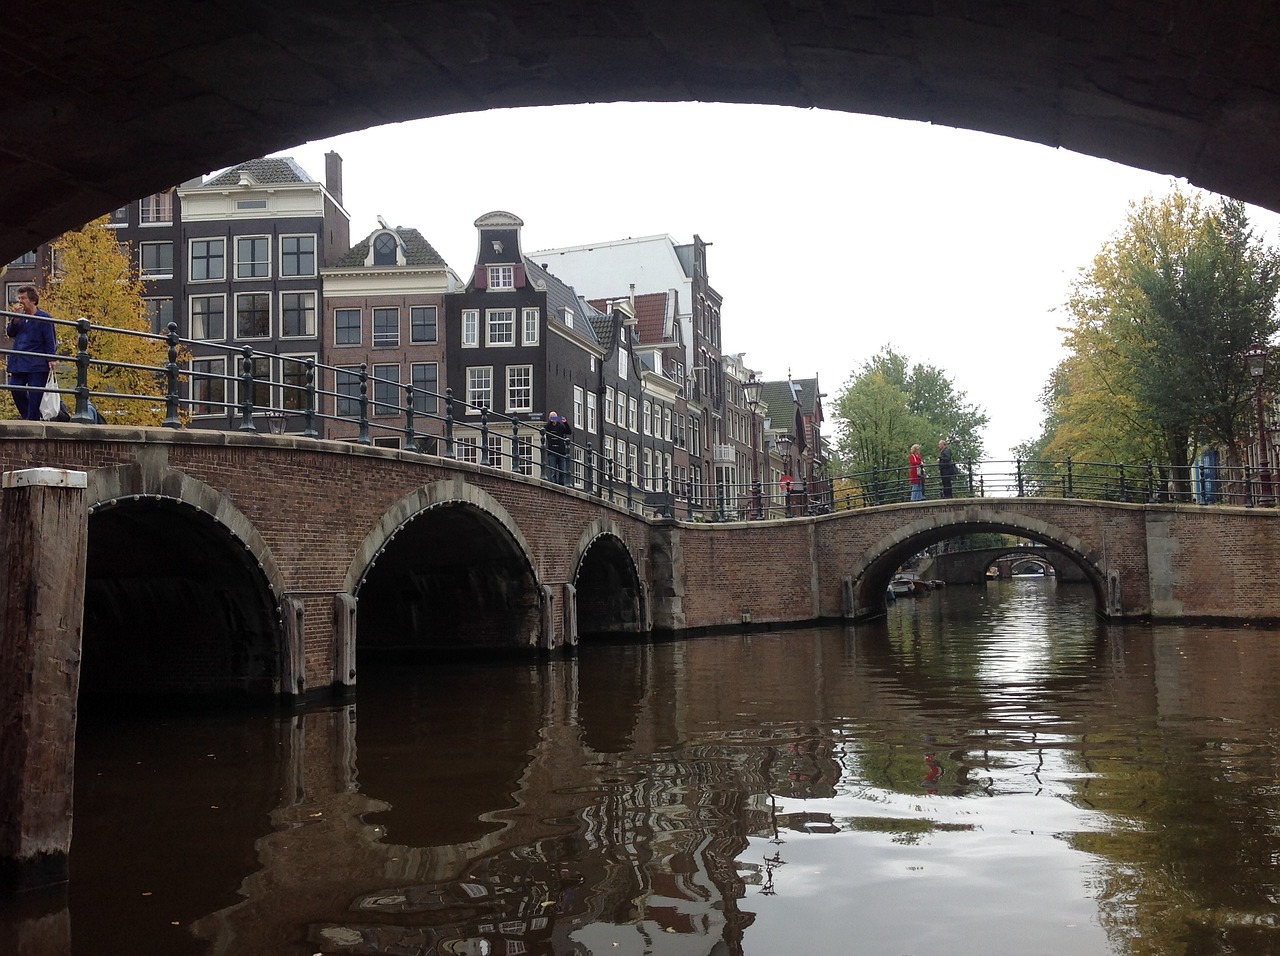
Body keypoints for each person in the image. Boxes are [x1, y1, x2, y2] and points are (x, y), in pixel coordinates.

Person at [6, 285, 58, 421]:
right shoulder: (20, 317)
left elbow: (50, 339)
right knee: (15, 388)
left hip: (37, 363)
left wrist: (51, 358)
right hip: (19, 361)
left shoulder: (44, 318)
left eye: (23, 298)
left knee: (35, 395)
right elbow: (10, 333)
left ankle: (33, 421)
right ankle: (27, 416)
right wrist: (15, 319)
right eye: (19, 298)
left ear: (33, 300)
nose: (20, 301)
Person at [544, 410, 572, 486]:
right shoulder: (548, 426)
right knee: (553, 471)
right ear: (549, 418)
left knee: (562, 470)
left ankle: (561, 484)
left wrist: (565, 422)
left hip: (561, 451)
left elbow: (569, 432)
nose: (554, 419)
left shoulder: (561, 426)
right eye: (552, 417)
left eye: (555, 417)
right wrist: (549, 422)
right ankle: (554, 484)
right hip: (552, 451)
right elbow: (543, 430)